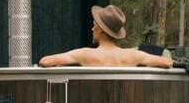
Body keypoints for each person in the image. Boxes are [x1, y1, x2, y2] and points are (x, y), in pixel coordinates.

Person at [38, 4, 173, 68]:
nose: (92, 28)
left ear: (101, 30)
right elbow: (167, 62)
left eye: (94, 25)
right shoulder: (132, 55)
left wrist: (63, 68)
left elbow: (45, 61)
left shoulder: (85, 54)